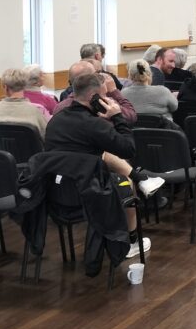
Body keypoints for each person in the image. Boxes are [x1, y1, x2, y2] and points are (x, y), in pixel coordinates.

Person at [45, 72, 163, 258]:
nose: (107, 99)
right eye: (105, 96)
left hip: (58, 193)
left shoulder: (55, 121)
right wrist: (117, 117)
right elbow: (128, 149)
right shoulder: (94, 125)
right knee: (125, 183)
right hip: (89, 195)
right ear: (95, 99)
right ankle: (131, 241)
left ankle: (141, 179)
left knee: (103, 154)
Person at [0, 67, 49, 139]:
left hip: (0, 149)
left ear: (5, 87)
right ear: (25, 86)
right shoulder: (37, 110)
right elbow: (47, 136)